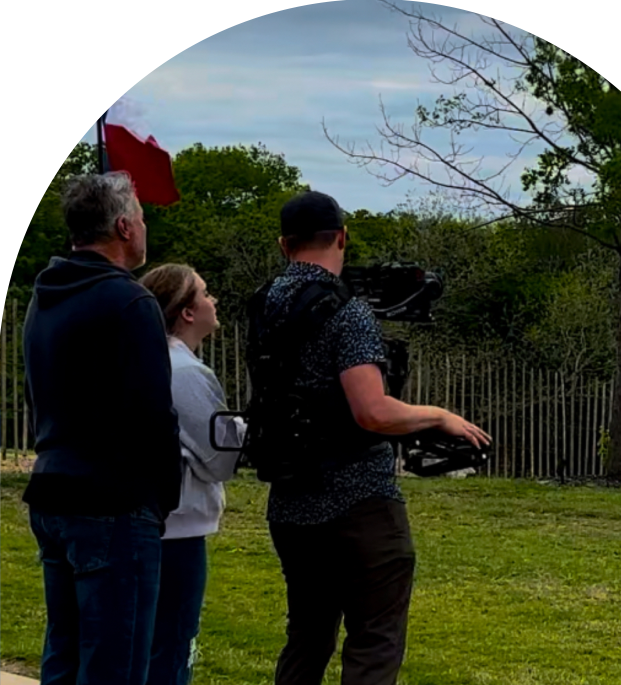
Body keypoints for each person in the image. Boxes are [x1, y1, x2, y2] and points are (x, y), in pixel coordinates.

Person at [258, 190, 492, 685]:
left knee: (307, 634)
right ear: (342, 237)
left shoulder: (264, 307)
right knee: (374, 638)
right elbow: (373, 412)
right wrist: (437, 416)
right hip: (357, 500)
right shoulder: (349, 312)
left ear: (284, 245)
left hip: (290, 497)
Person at [21, 172, 183, 685]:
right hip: (114, 502)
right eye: (138, 214)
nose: (143, 223)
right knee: (115, 660)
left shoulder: (44, 297)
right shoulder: (130, 303)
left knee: (64, 655)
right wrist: (160, 501)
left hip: (54, 486)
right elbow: (155, 415)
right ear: (122, 227)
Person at [138, 264, 247, 685]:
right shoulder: (185, 373)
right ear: (186, 311)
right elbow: (221, 456)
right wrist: (241, 432)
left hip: (146, 522)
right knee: (172, 645)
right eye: (204, 293)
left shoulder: (144, 359)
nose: (212, 300)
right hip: (179, 530)